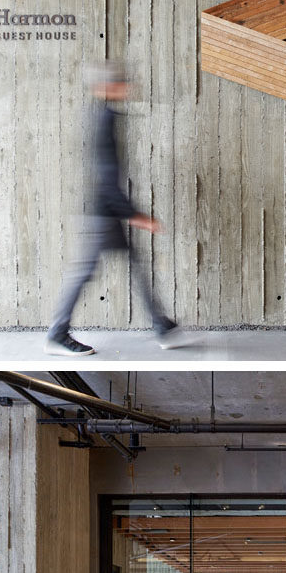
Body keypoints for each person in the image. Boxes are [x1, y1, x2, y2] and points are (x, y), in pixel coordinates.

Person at [45, 61, 187, 355]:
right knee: (83, 271)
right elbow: (107, 173)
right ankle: (57, 334)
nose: (128, 87)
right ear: (108, 88)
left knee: (134, 264)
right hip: (102, 211)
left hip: (106, 210)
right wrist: (135, 215)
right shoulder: (103, 118)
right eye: (122, 82)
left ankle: (160, 323)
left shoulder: (103, 115)